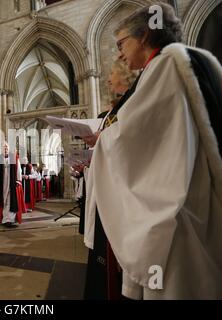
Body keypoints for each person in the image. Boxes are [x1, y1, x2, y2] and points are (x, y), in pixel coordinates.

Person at [85, 2, 222, 299]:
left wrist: (102, 140)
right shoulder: (193, 59)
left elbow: (133, 137)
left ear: (144, 36)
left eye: (121, 43)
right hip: (194, 192)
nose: (120, 53)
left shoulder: (163, 66)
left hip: (176, 209)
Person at [81, 58, 138, 299]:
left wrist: (101, 139)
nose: (107, 78)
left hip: (120, 193)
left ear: (125, 76)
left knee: (114, 258)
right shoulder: (112, 112)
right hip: (105, 190)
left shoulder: (132, 104)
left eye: (112, 74)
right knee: (101, 257)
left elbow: (131, 139)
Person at [0, 142, 25, 228]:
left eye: (7, 147)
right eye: (4, 147)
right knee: (4, 201)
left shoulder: (14, 157)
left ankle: (9, 220)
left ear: (9, 148)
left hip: (11, 183)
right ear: (2, 149)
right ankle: (4, 219)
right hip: (2, 183)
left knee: (11, 200)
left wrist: (18, 180)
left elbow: (18, 169)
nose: (5, 149)